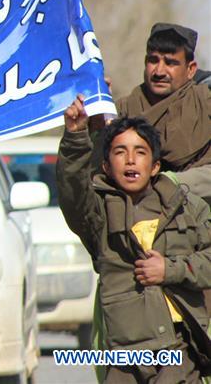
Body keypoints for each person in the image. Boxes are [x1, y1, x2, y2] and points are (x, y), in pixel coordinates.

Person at [58, 95, 211, 383]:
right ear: (106, 166)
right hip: (124, 356)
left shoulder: (187, 208)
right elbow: (73, 192)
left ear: (155, 166)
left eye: (140, 152)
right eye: (120, 152)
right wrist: (76, 137)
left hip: (179, 351)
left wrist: (171, 269)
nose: (130, 160)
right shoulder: (99, 215)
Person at [114, 23, 211, 200]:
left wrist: (168, 183)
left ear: (190, 70)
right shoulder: (121, 111)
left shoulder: (206, 106)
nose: (159, 71)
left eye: (170, 63)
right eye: (153, 60)